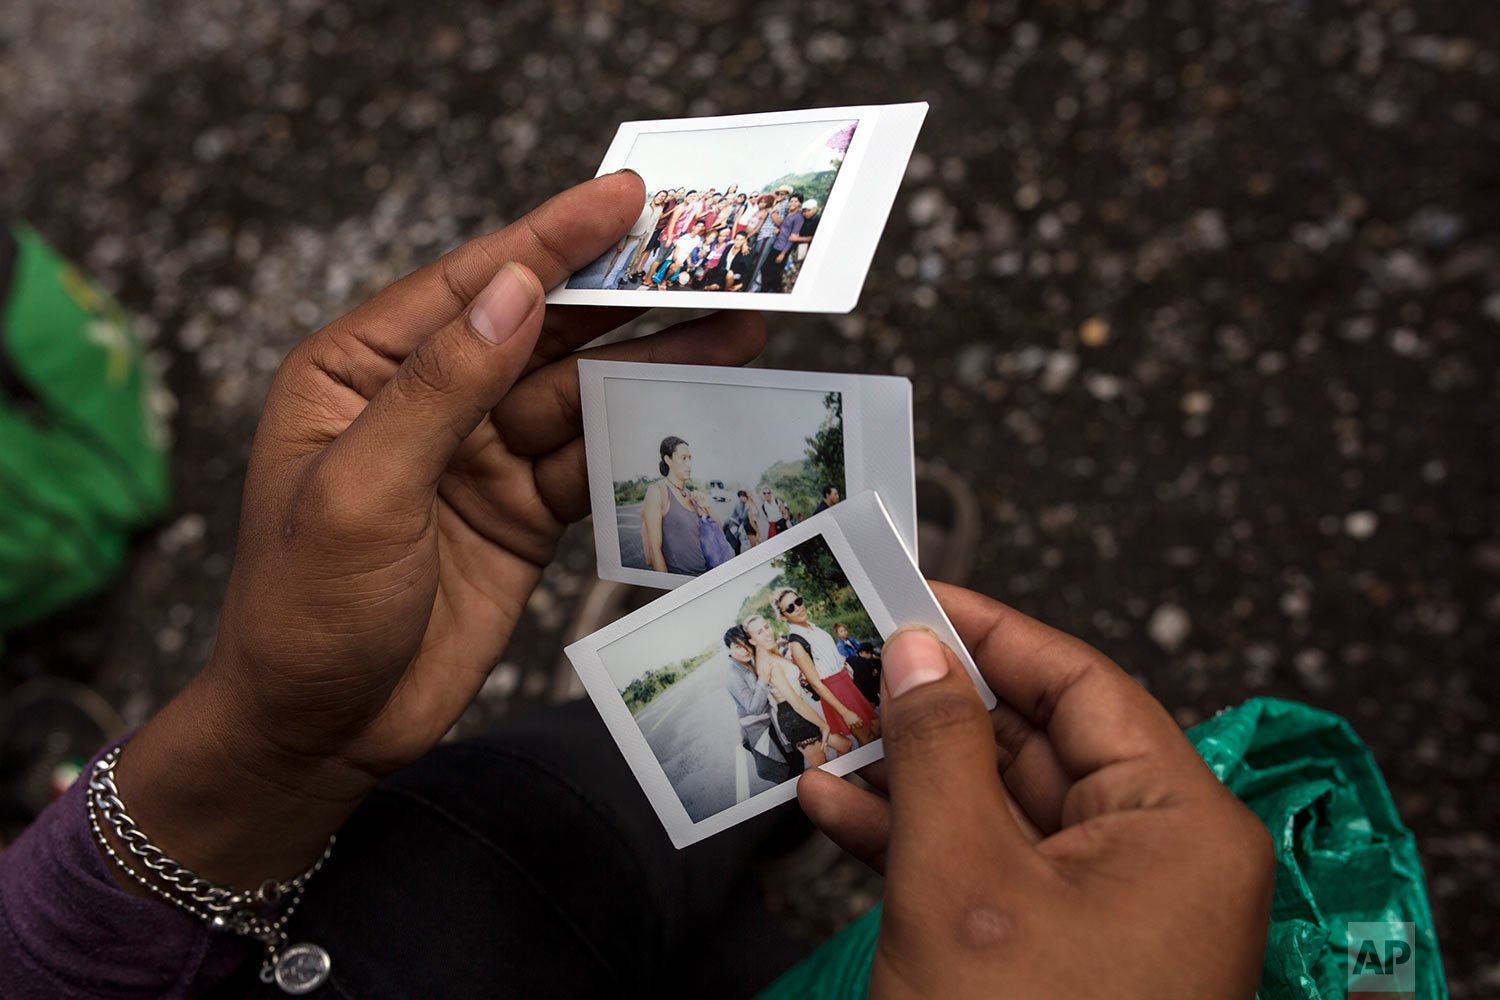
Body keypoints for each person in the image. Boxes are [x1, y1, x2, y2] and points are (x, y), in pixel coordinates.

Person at [0, 171, 1275, 1000]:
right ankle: (759, 785)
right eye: (668, 459)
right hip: (435, 910)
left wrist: (267, 745)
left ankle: (761, 810)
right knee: (620, 804)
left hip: (389, 905)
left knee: (636, 798)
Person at [775, 588, 881, 744]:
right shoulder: (797, 643)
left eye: (798, 602)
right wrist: (844, 712)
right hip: (835, 691)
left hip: (848, 683)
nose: (797, 608)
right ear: (784, 616)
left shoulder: (812, 627)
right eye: (790, 608)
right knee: (867, 738)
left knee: (877, 728)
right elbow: (816, 683)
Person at [741, 615, 848, 769]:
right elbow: (796, 703)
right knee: (825, 769)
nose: (767, 633)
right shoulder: (769, 663)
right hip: (795, 717)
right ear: (752, 640)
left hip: (798, 713)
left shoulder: (770, 653)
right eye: (759, 632)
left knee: (844, 747)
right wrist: (823, 725)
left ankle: (843, 782)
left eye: (766, 627)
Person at [722, 626, 797, 784]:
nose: (745, 650)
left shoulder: (751, 660)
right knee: (788, 769)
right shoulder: (733, 674)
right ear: (728, 648)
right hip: (761, 727)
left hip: (773, 720)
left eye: (746, 644)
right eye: (737, 646)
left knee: (795, 759)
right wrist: (763, 679)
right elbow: (753, 708)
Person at [639, 434, 722, 576]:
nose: (689, 465)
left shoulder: (691, 495)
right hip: (680, 580)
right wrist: (668, 589)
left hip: (704, 575)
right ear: (668, 459)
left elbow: (719, 532)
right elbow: (654, 549)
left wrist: (707, 507)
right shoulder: (658, 491)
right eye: (683, 458)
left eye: (690, 459)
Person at [760, 194, 804, 294]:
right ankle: (766, 290)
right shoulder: (789, 214)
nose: (792, 203)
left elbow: (793, 236)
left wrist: (783, 253)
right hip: (777, 244)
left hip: (783, 248)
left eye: (795, 201)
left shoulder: (799, 217)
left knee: (772, 272)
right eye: (791, 201)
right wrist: (779, 231)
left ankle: (771, 291)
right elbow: (786, 230)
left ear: (799, 203)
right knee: (766, 269)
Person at [783, 198, 820, 290]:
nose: (806, 213)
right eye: (804, 211)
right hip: (795, 247)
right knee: (788, 268)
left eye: (809, 210)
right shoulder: (802, 218)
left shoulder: (817, 220)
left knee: (795, 270)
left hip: (804, 248)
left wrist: (797, 238)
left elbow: (813, 238)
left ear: (815, 209)